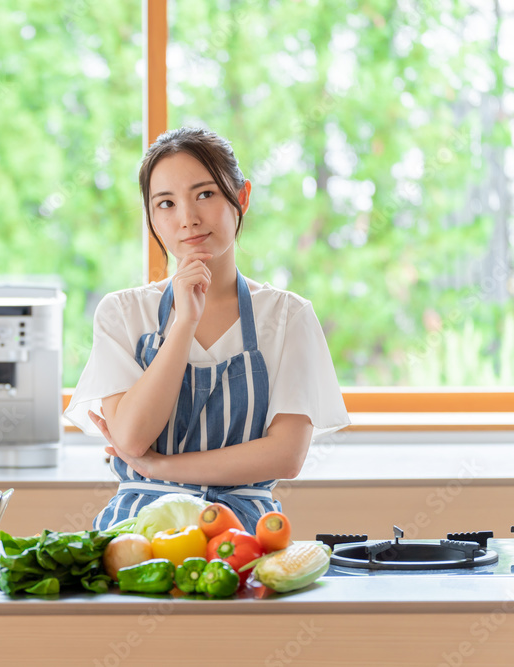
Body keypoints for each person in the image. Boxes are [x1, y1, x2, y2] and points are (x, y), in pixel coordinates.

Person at [63, 127, 351, 533]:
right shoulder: (123, 313)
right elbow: (130, 438)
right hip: (139, 529)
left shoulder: (288, 316)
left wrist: (161, 467)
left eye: (205, 194)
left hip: (243, 532)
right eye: (166, 203)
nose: (188, 219)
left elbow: (286, 456)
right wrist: (184, 323)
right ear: (151, 218)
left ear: (242, 198)